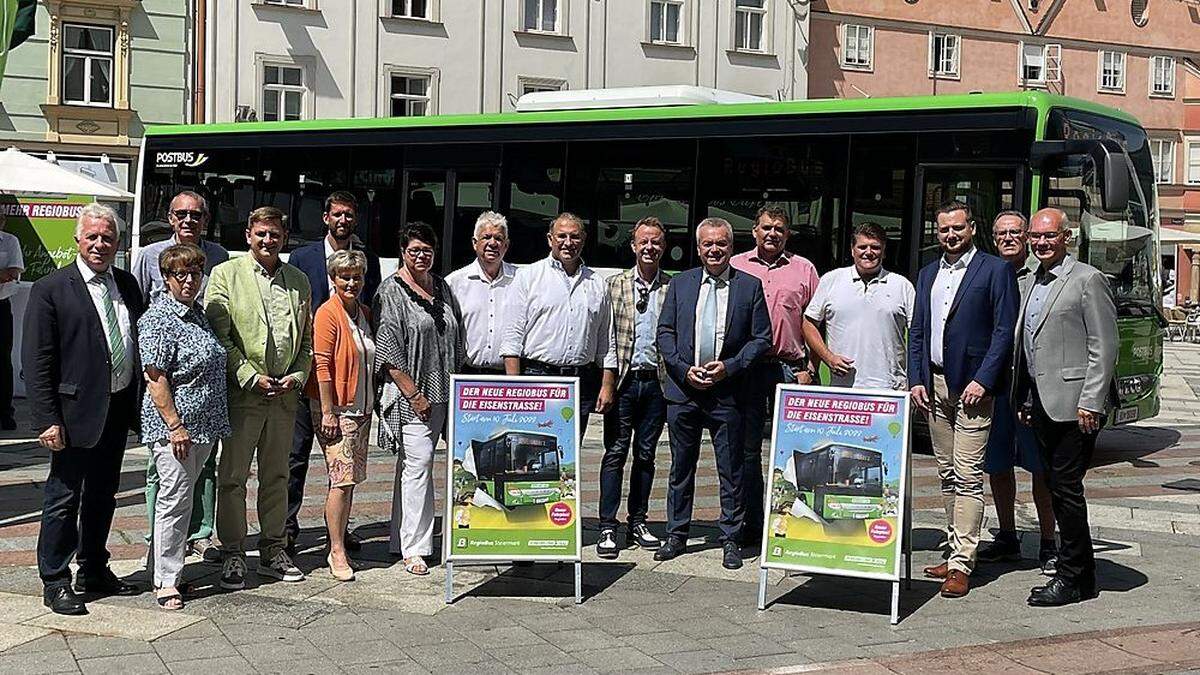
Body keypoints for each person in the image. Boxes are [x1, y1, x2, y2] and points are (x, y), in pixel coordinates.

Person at [24, 203, 144, 615]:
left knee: (103, 495)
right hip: (72, 415)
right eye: (92, 236)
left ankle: (93, 567)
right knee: (63, 498)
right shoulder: (51, 288)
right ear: (77, 239)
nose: (99, 244)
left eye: (107, 238)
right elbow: (37, 360)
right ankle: (55, 579)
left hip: (115, 407)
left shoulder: (127, 285)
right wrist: (46, 418)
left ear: (118, 244)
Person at [909, 200, 1018, 599]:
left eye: (957, 228)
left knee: (968, 473)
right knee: (946, 472)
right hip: (934, 386)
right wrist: (916, 378)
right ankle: (954, 546)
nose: (950, 235)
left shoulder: (995, 269)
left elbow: (1004, 331)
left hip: (973, 390)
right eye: (943, 230)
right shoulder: (927, 274)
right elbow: (917, 331)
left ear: (972, 227)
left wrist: (984, 380)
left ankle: (961, 564)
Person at [654, 217, 771, 570]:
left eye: (721, 243)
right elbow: (665, 332)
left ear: (731, 247)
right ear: (699, 247)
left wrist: (730, 367)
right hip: (685, 391)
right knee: (680, 467)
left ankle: (731, 538)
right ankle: (676, 534)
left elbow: (761, 338)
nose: (715, 250)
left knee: (731, 469)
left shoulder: (749, 286)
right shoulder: (682, 284)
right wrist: (681, 369)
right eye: (708, 244)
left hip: (728, 393)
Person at [206, 206, 313, 589]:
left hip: (284, 398)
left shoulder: (299, 281)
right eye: (261, 234)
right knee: (232, 477)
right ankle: (233, 552)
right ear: (248, 235)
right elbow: (221, 336)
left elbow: (307, 343)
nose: (268, 241)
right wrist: (249, 376)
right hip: (243, 395)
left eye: (275, 235)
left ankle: (273, 549)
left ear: (284, 238)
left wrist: (298, 376)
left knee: (277, 476)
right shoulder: (225, 275)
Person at [1016, 208, 1117, 607]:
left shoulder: (1087, 279)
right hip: (1042, 402)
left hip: (1077, 406)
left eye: (1049, 236)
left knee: (1066, 489)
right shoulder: (1030, 280)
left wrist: (1091, 401)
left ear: (1066, 237)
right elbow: (1030, 346)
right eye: (1035, 238)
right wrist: (1026, 397)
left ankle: (1073, 576)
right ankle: (1082, 573)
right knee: (1058, 488)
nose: (1041, 243)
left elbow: (1104, 346)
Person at [132, 191, 229, 563]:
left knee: (204, 473)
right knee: (164, 477)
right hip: (166, 390)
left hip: (203, 395)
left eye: (196, 215)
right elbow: (139, 309)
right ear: (170, 218)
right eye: (181, 214)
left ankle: (200, 534)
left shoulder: (218, 256)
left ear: (205, 220)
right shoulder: (147, 257)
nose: (188, 220)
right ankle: (159, 546)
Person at [285, 191, 381, 556]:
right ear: (325, 217)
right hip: (310, 381)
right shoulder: (302, 257)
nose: (343, 220)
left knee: (345, 474)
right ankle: (288, 528)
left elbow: (368, 309)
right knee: (296, 458)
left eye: (349, 214)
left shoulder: (366, 259)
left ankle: (337, 532)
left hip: (349, 389)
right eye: (337, 214)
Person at [374, 223, 464, 576]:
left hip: (444, 390)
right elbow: (388, 350)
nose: (422, 256)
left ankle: (402, 538)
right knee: (420, 464)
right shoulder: (390, 291)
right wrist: (413, 393)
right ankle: (415, 548)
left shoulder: (441, 286)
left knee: (412, 467)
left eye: (427, 250)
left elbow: (456, 336)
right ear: (402, 252)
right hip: (413, 393)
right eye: (415, 251)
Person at [730, 206, 820, 546]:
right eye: (766, 227)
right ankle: (753, 522)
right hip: (748, 369)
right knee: (748, 450)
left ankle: (795, 524)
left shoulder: (804, 269)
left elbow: (816, 323)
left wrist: (810, 368)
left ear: (787, 234)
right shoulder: (736, 265)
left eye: (779, 229)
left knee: (797, 453)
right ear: (754, 230)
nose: (772, 233)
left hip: (790, 368)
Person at [978, 211, 1059, 574]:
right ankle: (1007, 536)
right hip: (995, 389)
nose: (1008, 238)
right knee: (996, 466)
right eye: (1001, 234)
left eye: (1015, 232)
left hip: (1032, 391)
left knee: (1041, 468)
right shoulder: (987, 275)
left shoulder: (1041, 275)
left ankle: (1048, 541)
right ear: (993, 239)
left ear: (1026, 236)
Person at [595, 217, 671, 559]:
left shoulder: (673, 287)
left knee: (646, 455)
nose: (649, 247)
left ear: (663, 246)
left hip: (657, 382)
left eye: (655, 242)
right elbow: (606, 337)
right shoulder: (614, 285)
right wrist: (607, 383)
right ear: (633, 246)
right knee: (615, 453)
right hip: (624, 382)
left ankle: (637, 521)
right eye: (644, 242)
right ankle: (607, 526)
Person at [501, 213, 612, 438]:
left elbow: (606, 341)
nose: (568, 243)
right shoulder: (528, 276)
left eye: (574, 237)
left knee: (569, 457)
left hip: (579, 383)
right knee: (531, 450)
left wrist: (607, 385)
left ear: (584, 239)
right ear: (550, 239)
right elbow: (511, 337)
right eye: (561, 236)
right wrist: (514, 389)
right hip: (537, 377)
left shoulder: (598, 284)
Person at [306, 249, 375, 582]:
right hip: (337, 409)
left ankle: (340, 539)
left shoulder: (362, 312)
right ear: (333, 279)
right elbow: (321, 364)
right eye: (345, 276)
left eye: (357, 276)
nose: (352, 282)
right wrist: (327, 410)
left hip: (361, 408)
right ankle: (336, 551)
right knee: (342, 479)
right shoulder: (327, 313)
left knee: (349, 482)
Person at [803, 222, 915, 390]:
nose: (868, 253)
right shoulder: (831, 280)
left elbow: (917, 336)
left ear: (884, 251)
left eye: (875, 247)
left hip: (890, 389)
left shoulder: (902, 285)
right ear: (852, 249)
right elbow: (809, 324)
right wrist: (828, 358)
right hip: (844, 388)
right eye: (862, 247)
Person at [446, 211, 516, 375]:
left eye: (499, 238)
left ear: (506, 245)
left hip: (508, 376)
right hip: (467, 375)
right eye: (487, 237)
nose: (493, 243)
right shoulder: (454, 283)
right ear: (474, 243)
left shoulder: (521, 281)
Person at [0, 204, 24, 430]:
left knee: (2, 361)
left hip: (0, 307)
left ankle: (5, 412)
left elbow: (12, 272)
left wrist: (5, 275)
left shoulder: (10, 241)